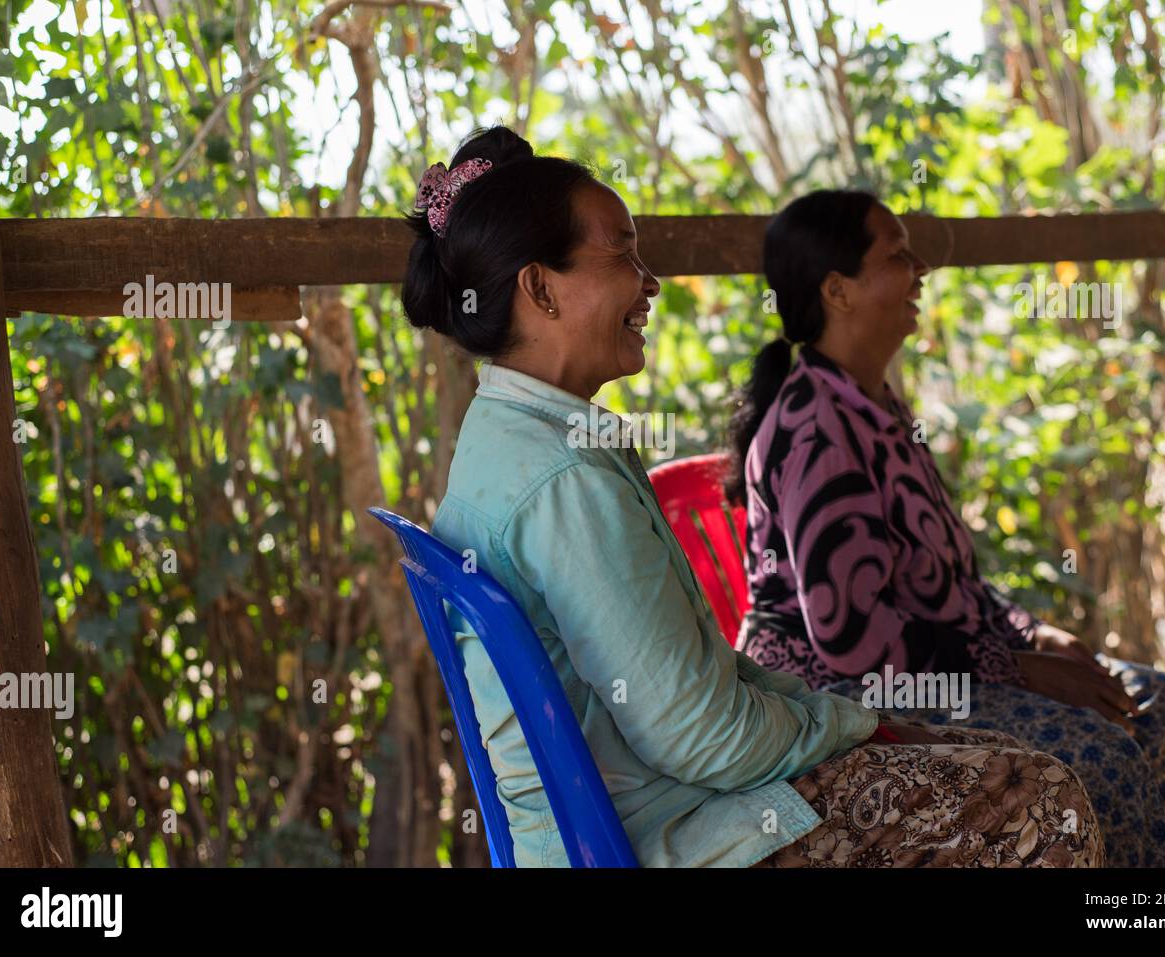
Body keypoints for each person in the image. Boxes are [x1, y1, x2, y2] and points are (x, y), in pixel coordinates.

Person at [402, 127, 1103, 868]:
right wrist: (855, 724)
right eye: (623, 254)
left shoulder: (511, 436)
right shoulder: (564, 477)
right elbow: (703, 735)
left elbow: (702, 687)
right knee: (1043, 798)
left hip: (649, 810)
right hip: (666, 836)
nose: (650, 281)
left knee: (1001, 760)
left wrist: (854, 721)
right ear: (540, 287)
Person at [729, 188, 1165, 867]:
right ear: (837, 290)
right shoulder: (817, 427)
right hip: (846, 694)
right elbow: (852, 637)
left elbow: (947, 582)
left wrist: (1031, 633)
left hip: (928, 666)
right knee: (1100, 758)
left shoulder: (874, 407)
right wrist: (1013, 665)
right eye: (896, 256)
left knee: (1157, 704)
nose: (919, 272)